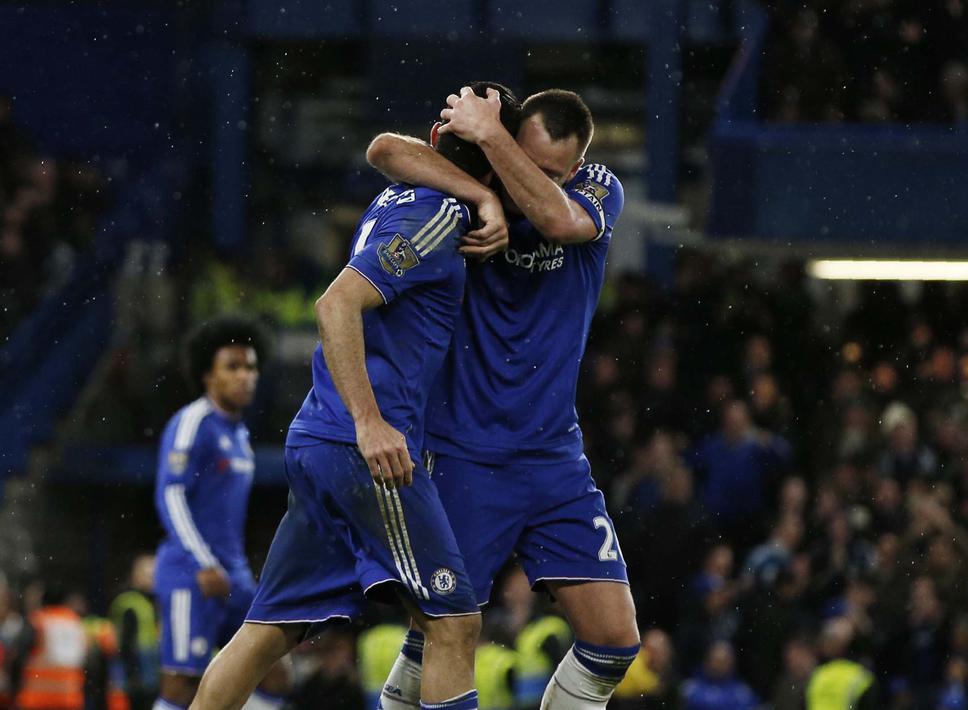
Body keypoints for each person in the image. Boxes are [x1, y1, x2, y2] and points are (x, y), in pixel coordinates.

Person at [188, 82, 523, 710]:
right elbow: (336, 303)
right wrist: (370, 423)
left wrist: (477, 188)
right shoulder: (441, 215)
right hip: (365, 450)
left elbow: (383, 148)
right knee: (454, 622)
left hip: (318, 437)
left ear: (435, 141)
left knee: (268, 631)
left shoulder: (404, 191)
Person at [367, 86, 640, 709]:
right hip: (465, 453)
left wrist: (493, 143)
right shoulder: (473, 190)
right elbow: (384, 150)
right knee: (443, 633)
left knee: (614, 641)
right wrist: (483, 189)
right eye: (522, 158)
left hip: (554, 459)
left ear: (574, 170)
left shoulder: (595, 192)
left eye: (550, 173)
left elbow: (558, 219)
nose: (530, 183)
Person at [151, 316, 287, 710]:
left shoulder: (240, 435)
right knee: (180, 685)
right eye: (233, 367)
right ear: (207, 374)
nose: (245, 376)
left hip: (235, 576)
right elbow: (171, 496)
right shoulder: (193, 423)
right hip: (192, 575)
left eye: (251, 367)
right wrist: (204, 563)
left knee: (276, 674)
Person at [110, 556, 158, 710]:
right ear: (135, 575)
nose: (153, 578)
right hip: (137, 675)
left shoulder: (148, 602)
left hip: (147, 673)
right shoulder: (131, 602)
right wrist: (133, 676)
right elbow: (125, 643)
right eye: (148, 574)